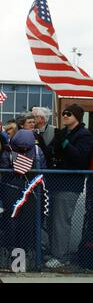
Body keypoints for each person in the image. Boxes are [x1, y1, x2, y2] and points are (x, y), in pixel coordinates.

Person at [45, 104, 93, 268]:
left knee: (61, 221)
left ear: (77, 117)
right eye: (64, 113)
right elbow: (51, 152)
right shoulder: (63, 132)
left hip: (70, 184)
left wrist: (64, 143)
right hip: (55, 181)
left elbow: (80, 158)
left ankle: (61, 256)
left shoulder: (84, 135)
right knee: (52, 220)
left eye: (69, 114)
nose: (65, 115)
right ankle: (54, 252)